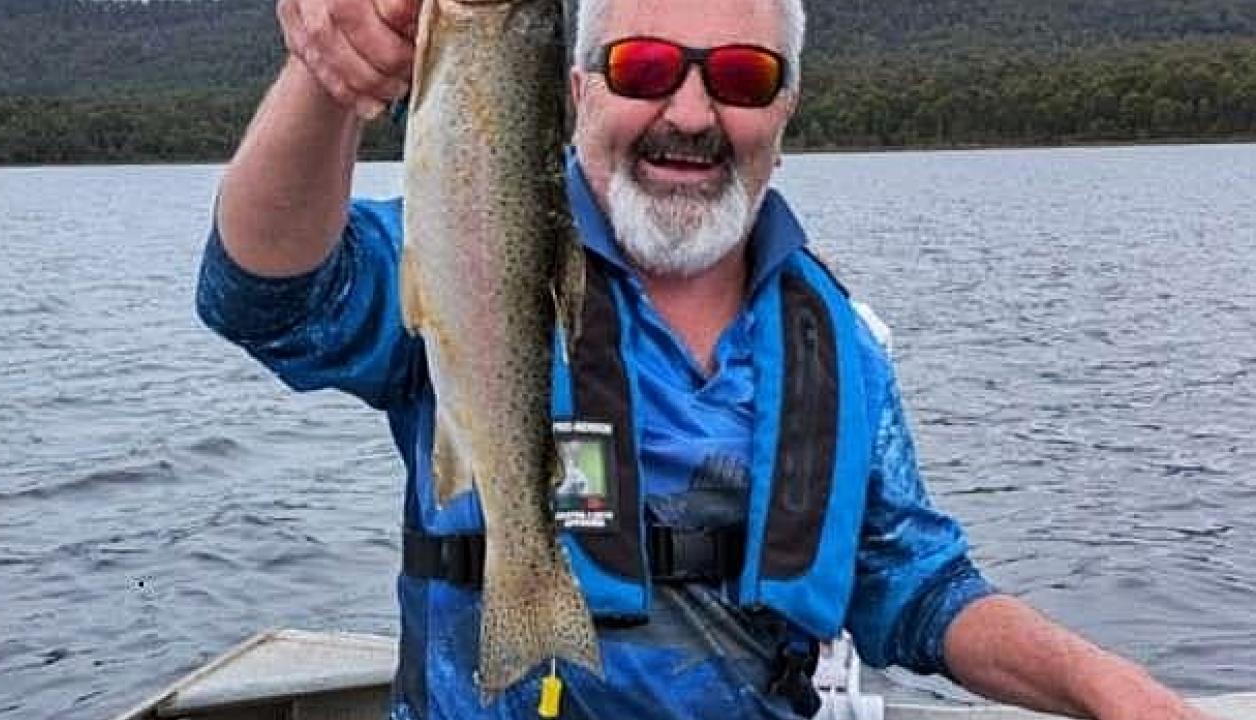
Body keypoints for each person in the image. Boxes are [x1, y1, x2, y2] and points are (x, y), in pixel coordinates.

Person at [195, 0, 1212, 717]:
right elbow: (268, 300)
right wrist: (328, 81)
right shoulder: (474, 253)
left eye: (740, 77)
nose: (689, 115)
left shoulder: (838, 344)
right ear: (577, 92)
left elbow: (913, 583)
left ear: (785, 109)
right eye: (644, 68)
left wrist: (1105, 686)